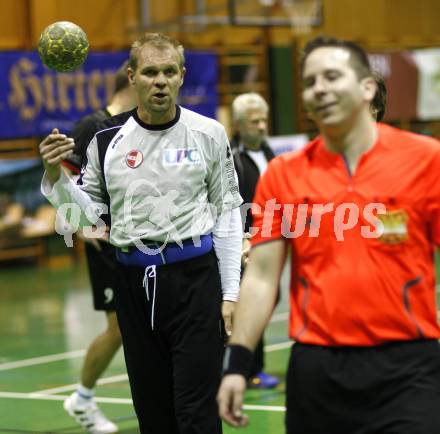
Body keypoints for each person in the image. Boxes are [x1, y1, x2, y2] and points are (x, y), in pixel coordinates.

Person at [217, 35, 440, 434]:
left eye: (332, 76)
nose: (319, 88)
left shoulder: (426, 161)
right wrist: (237, 363)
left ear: (367, 87)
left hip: (408, 367)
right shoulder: (283, 174)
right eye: (309, 81)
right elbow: (263, 277)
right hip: (318, 371)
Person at [39, 32, 243, 434]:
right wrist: (53, 176)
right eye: (150, 72)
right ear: (132, 77)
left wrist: (231, 292)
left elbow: (228, 214)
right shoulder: (106, 141)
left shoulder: (208, 133)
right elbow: (85, 219)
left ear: (182, 76)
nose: (160, 81)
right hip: (134, 284)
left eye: (169, 72)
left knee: (196, 411)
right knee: (152, 411)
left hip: (195, 282)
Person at [61, 61, 136, 434]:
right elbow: (65, 181)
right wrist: (83, 229)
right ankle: (83, 399)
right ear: (132, 81)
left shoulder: (137, 126)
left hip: (137, 238)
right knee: (119, 327)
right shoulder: (93, 125)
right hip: (105, 243)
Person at [230, 92, 279, 389]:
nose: (261, 126)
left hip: (269, 240)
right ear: (238, 125)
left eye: (264, 120)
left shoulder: (270, 152)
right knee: (248, 302)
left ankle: (250, 365)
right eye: (254, 121)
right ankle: (247, 368)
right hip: (244, 245)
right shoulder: (232, 158)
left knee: (269, 298)